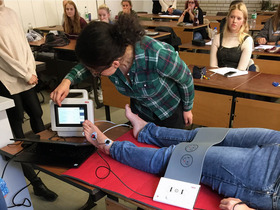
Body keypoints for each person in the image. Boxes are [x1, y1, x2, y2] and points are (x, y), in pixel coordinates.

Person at [83, 104, 280, 210]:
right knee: (202, 135)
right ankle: (145, 131)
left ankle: (110, 147)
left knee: (180, 157)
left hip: (271, 181)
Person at [51, 14, 194, 129]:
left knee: (170, 156)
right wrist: (67, 81)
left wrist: (187, 108)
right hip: (141, 114)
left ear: (115, 63)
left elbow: (186, 79)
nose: (95, 74)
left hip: (169, 112)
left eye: (97, 73)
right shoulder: (109, 53)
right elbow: (87, 66)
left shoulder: (157, 54)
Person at [0, 0, 58, 201]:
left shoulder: (11, 13)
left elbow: (24, 44)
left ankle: (47, 157)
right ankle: (36, 183)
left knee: (37, 114)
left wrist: (31, 70)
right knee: (17, 131)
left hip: (26, 75)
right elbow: (4, 57)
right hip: (7, 79)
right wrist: (25, 74)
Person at [210, 2, 255, 71]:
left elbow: (241, 70)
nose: (234, 21)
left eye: (238, 18)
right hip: (218, 77)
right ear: (227, 18)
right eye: (232, 17)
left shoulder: (247, 40)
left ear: (243, 21)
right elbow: (213, 66)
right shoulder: (217, 38)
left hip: (238, 78)